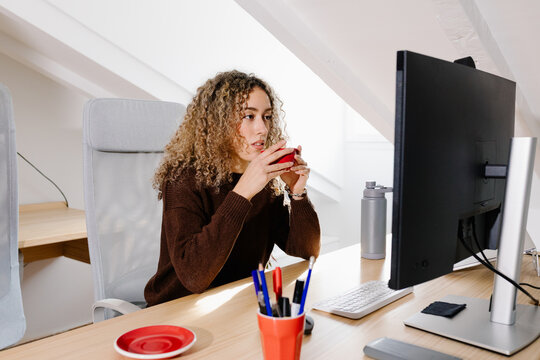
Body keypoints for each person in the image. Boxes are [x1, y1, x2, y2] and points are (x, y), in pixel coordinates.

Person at [144, 70, 320, 306]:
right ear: (218, 122)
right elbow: (194, 277)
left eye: (267, 117)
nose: (263, 129)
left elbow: (306, 250)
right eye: (249, 116)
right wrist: (243, 192)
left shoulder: (264, 181)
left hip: (235, 302)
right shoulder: (183, 179)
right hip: (176, 308)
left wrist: (298, 193)